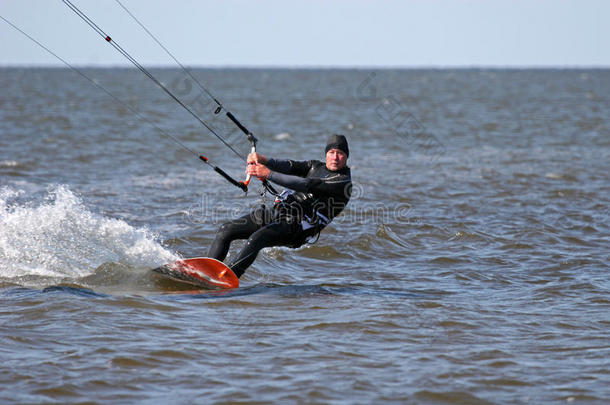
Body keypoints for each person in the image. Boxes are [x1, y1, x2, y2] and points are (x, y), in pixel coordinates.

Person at [207, 134, 352, 278]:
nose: (335, 157)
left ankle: (226, 279)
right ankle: (205, 272)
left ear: (346, 157)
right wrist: (263, 160)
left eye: (340, 154)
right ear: (326, 154)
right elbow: (289, 166)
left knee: (257, 239)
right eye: (331, 152)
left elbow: (304, 184)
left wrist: (268, 174)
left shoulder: (342, 182)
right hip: (281, 213)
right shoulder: (315, 166)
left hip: (298, 228)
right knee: (226, 230)